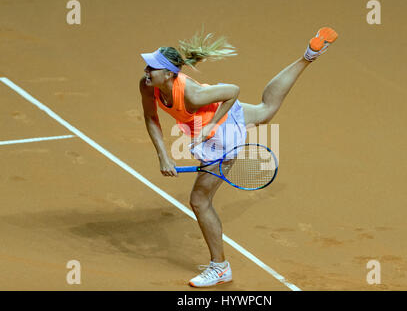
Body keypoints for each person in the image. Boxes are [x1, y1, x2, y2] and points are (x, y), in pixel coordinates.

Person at [139, 27, 338, 287]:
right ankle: (309, 56)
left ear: (168, 74)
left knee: (199, 201)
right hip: (209, 119)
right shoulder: (148, 85)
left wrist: (211, 127)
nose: (146, 71)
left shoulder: (192, 94)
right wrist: (163, 156)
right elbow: (151, 117)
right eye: (146, 66)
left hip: (220, 131)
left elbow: (232, 91)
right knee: (265, 111)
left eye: (151, 68)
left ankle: (220, 268)